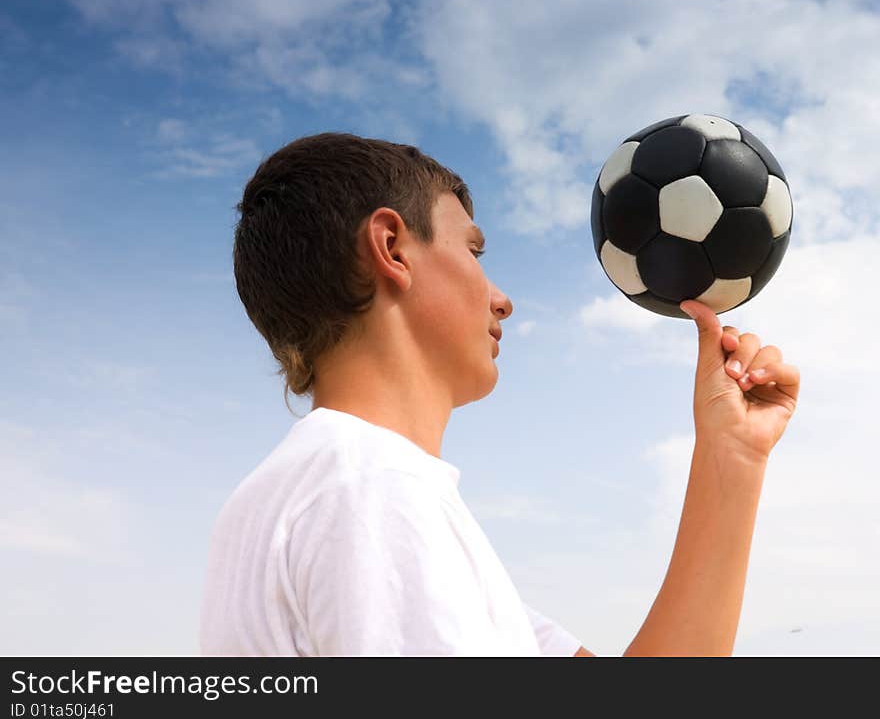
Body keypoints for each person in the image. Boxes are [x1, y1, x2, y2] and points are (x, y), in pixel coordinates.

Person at [199, 132, 800, 656]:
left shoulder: (335, 493)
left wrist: (733, 455)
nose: (501, 299)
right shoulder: (371, 493)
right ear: (391, 248)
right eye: (473, 250)